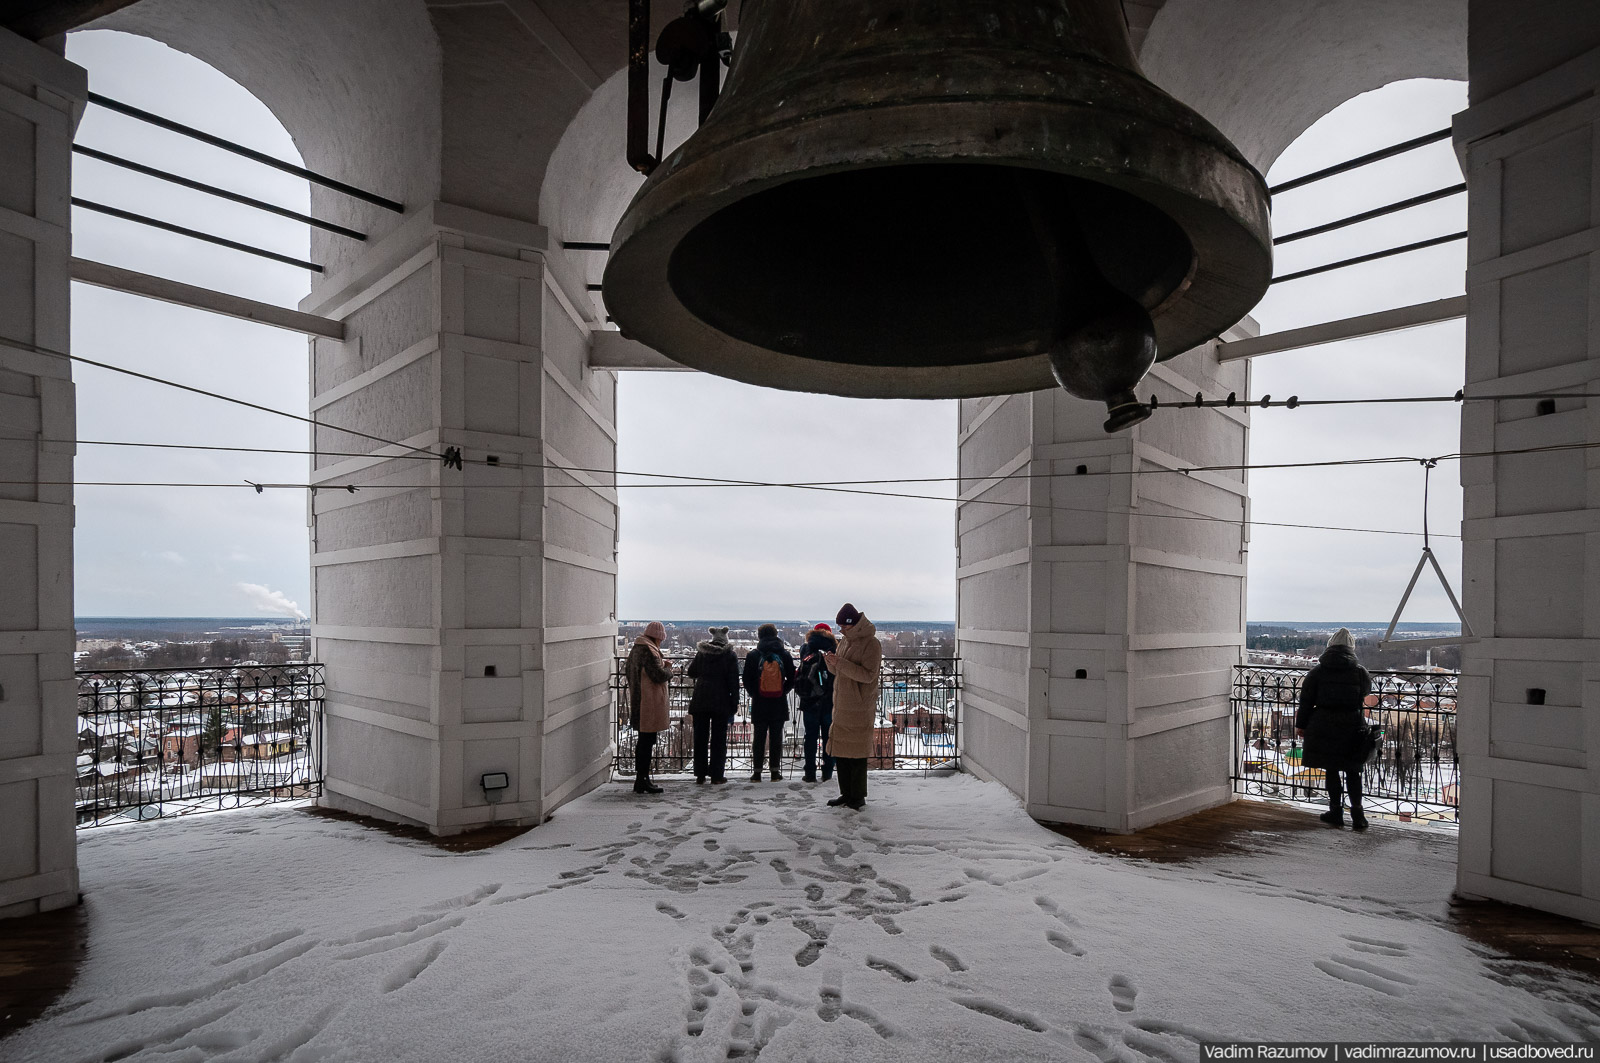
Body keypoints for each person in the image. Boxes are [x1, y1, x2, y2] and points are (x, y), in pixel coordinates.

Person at [1296, 627, 1373, 830]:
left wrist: (1301, 725)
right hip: (1352, 725)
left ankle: (1335, 812)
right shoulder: (1360, 672)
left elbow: (1306, 702)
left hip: (1324, 724)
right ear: (1351, 648)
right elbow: (1365, 693)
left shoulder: (1317, 672)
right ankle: (1358, 815)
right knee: (1353, 770)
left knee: (1331, 770)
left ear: (1329, 646)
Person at [823, 603, 881, 810]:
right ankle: (846, 793)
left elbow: (867, 675)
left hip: (859, 707)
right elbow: (839, 672)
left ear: (853, 625)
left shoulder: (871, 644)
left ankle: (857, 796)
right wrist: (831, 662)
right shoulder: (845, 642)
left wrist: (839, 663)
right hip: (842, 706)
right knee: (842, 753)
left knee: (856, 754)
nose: (840, 631)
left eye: (843, 627)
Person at [741, 623, 795, 781]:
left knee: (759, 737)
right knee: (776, 737)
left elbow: (746, 679)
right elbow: (792, 678)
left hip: (760, 702)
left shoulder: (754, 655)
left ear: (760, 636)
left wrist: (755, 693)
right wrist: (781, 691)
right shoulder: (785, 654)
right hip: (778, 702)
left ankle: (757, 772)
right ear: (775, 635)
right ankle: (775, 772)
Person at [625, 621, 674, 795]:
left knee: (644, 742)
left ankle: (642, 779)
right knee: (646, 742)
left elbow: (628, 671)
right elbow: (658, 675)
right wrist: (668, 669)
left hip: (640, 700)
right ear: (658, 637)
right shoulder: (648, 650)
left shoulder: (638, 648)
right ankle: (642, 780)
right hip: (648, 703)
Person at [687, 626, 739, 784]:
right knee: (718, 739)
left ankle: (700, 774)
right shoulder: (729, 655)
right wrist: (734, 702)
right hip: (721, 700)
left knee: (700, 738)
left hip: (701, 698)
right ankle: (717, 775)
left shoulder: (702, 653)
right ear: (725, 640)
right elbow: (733, 681)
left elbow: (691, 672)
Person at [796, 622, 838, 783]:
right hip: (829, 701)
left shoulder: (805, 649)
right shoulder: (835, 649)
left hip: (809, 701)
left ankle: (810, 773)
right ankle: (827, 772)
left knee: (810, 738)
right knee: (828, 737)